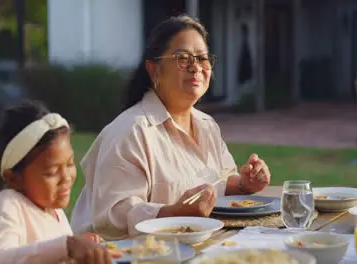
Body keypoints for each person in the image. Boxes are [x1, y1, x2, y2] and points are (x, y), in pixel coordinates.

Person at [70, 15, 271, 240]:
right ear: (154, 69)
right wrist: (175, 214)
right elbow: (112, 217)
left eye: (202, 58)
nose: (196, 67)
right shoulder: (131, 132)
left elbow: (221, 182)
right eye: (182, 58)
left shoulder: (207, 126)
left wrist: (244, 184)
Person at [0, 100, 120, 264]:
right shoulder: (8, 204)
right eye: (52, 172)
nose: (66, 177)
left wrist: (78, 250)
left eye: (70, 164)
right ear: (13, 178)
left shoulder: (53, 210)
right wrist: (68, 246)